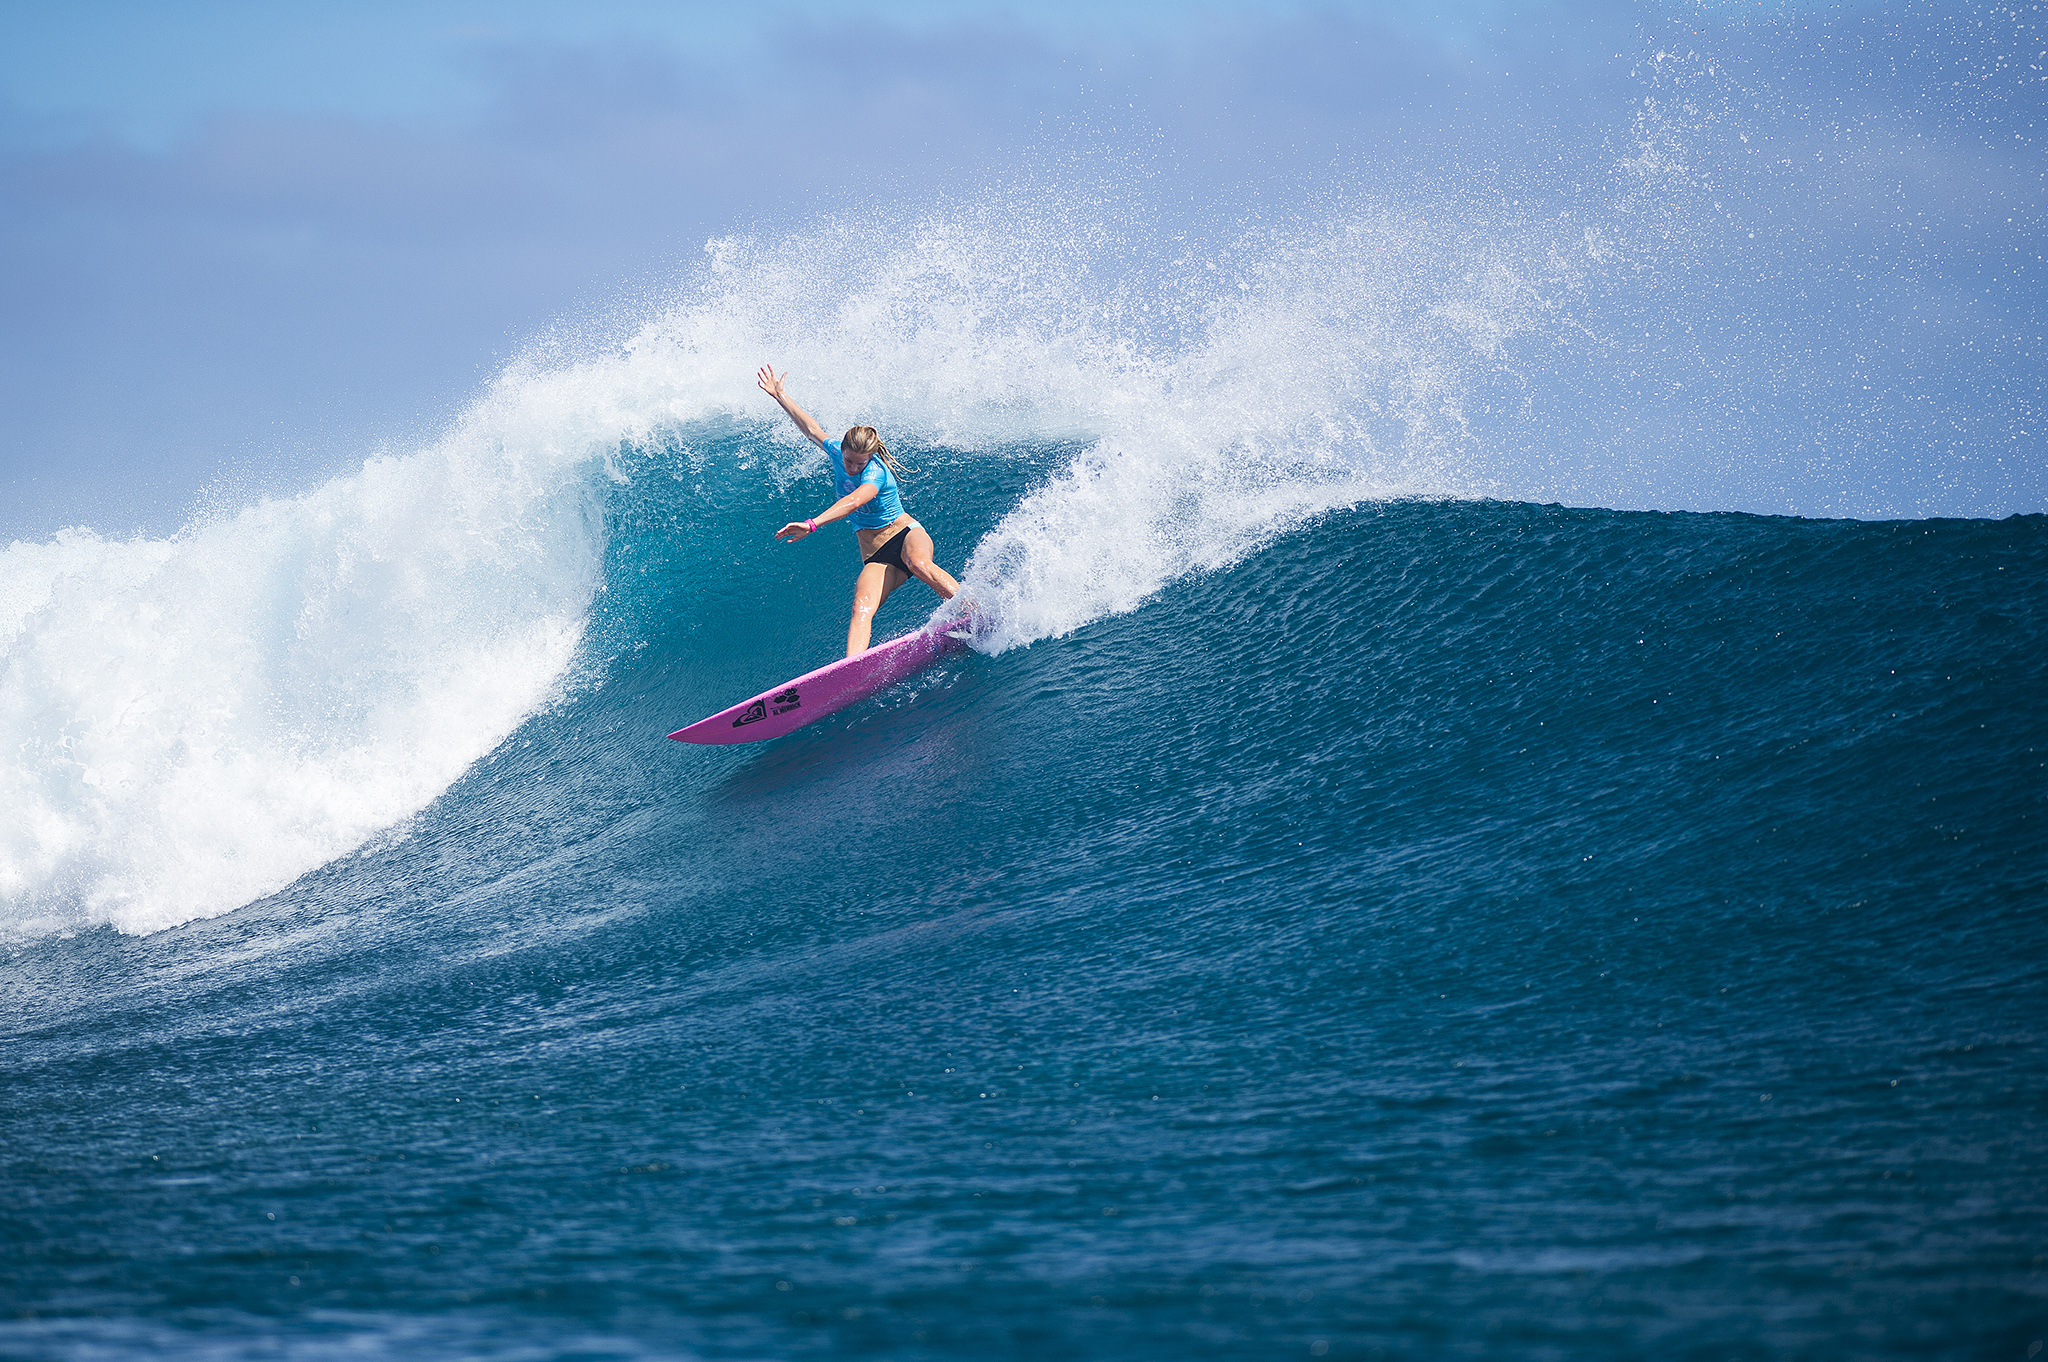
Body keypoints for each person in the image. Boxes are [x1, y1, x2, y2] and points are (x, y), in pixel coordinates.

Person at [758, 364, 963, 656]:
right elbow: (812, 429)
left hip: (905, 534)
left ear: (871, 459)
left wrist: (812, 524)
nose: (853, 467)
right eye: (849, 461)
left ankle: (972, 611)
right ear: (841, 449)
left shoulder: (876, 474)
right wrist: (781, 396)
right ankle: (852, 668)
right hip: (877, 555)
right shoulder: (836, 451)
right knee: (861, 607)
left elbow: (854, 501)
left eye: (860, 463)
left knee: (919, 564)